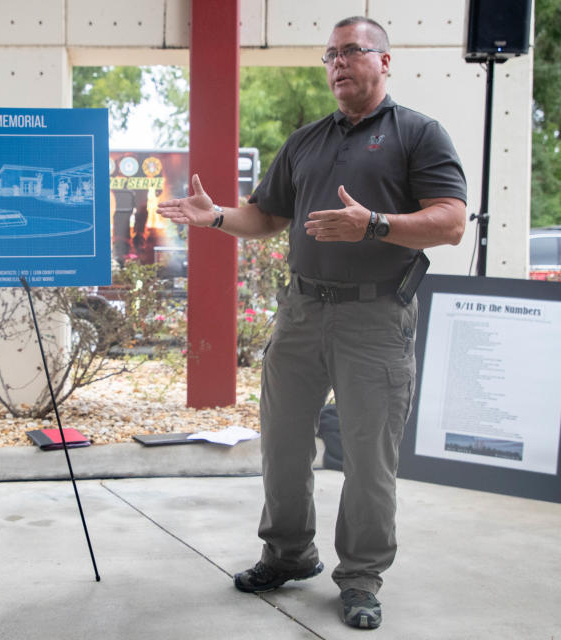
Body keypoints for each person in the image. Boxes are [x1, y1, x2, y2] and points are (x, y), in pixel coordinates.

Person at [156, 16, 467, 630]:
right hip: (300, 312)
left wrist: (374, 224)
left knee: (368, 459)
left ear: (385, 61)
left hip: (376, 316)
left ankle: (360, 578)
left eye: (352, 51)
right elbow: (267, 217)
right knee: (283, 444)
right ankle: (289, 553)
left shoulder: (419, 135)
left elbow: (452, 221)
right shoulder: (305, 142)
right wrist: (215, 215)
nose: (338, 64)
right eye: (330, 55)